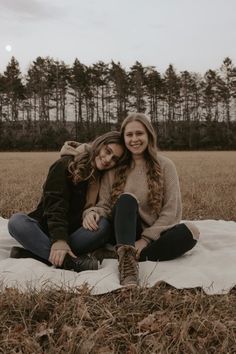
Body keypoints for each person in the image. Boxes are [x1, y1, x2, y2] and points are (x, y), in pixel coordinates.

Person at [83, 113, 200, 286]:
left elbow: (171, 211)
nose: (134, 139)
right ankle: (128, 269)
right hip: (121, 232)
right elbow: (105, 205)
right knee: (127, 200)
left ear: (149, 135)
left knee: (191, 232)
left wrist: (145, 240)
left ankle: (125, 255)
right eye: (129, 135)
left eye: (139, 133)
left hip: (152, 236)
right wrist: (92, 212)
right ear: (124, 138)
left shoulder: (165, 165)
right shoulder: (114, 168)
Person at [8, 131, 125, 272]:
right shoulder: (66, 164)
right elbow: (55, 204)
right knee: (17, 222)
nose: (107, 159)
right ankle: (71, 262)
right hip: (48, 229)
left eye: (114, 159)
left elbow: (105, 206)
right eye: (107, 151)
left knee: (103, 225)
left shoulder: (104, 177)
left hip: (75, 234)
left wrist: (92, 213)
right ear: (99, 144)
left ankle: (35, 254)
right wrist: (59, 240)